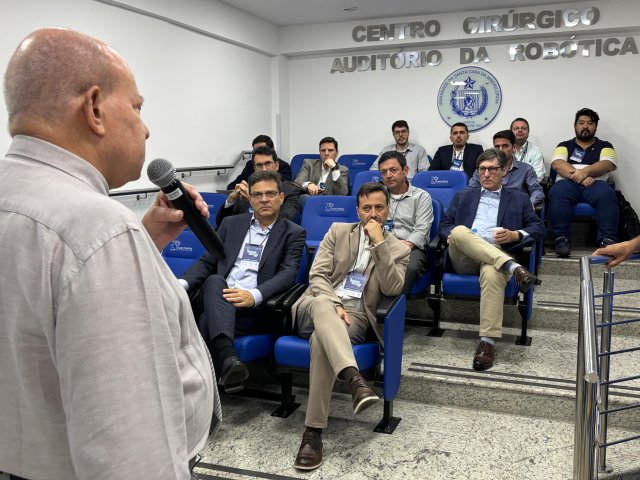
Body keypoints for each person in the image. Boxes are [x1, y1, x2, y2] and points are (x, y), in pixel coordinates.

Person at [0, 28, 219, 480]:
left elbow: (40, 301)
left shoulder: (33, 205)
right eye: (136, 107)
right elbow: (131, 452)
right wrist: (118, 242)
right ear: (94, 108)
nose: (145, 126)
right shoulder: (98, 228)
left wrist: (145, 238)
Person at [292, 183, 410, 471]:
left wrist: (379, 244)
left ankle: (313, 433)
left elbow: (393, 288)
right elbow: (317, 276)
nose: (373, 214)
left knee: (321, 341)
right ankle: (355, 379)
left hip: (356, 317)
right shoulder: (337, 231)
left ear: (388, 210)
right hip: (316, 304)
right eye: (367, 208)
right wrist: (334, 303)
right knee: (324, 306)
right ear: (357, 211)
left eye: (379, 207)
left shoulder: (398, 249)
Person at [182, 171, 305, 390]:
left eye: (270, 194)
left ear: (281, 197)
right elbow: (207, 261)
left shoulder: (293, 233)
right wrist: (179, 285)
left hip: (253, 310)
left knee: (206, 320)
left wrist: (253, 296)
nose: (264, 199)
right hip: (218, 296)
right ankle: (228, 359)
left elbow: (288, 274)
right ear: (250, 198)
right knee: (214, 281)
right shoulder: (231, 224)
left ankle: (212, 382)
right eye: (257, 194)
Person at [439, 149, 546, 371]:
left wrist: (516, 235)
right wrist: (452, 236)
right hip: (465, 257)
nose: (486, 174)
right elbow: (445, 225)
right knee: (459, 231)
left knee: (492, 271)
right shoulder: (463, 195)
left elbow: (538, 228)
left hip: (496, 253)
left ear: (504, 171)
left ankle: (487, 343)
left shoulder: (519, 198)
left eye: (492, 169)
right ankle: (513, 267)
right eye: (482, 169)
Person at [549, 107, 618, 257]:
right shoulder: (564, 145)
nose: (585, 126)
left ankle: (607, 241)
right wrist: (581, 177)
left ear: (596, 127)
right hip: (567, 183)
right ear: (575, 126)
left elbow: (608, 164)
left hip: (596, 184)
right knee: (557, 193)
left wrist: (585, 173)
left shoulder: (605, 145)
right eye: (581, 123)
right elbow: (557, 164)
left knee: (607, 194)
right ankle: (561, 239)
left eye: (590, 123)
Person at [378, 150, 434, 294]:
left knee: (409, 268)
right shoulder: (378, 197)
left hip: (411, 248)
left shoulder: (421, 197)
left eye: (393, 170)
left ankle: (391, 305)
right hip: (382, 243)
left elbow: (421, 229)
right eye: (384, 172)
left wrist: (404, 246)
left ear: (406, 170)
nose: (388, 175)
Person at [217, 145, 300, 224]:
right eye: (259, 165)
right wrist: (230, 200)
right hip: (241, 232)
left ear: (276, 166)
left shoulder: (289, 191)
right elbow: (221, 223)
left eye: (268, 163)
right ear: (254, 168)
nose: (264, 169)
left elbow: (284, 221)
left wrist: (252, 201)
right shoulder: (246, 189)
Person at [468, 130, 544, 207]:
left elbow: (537, 191)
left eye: (505, 146)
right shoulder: (484, 169)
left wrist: (529, 205)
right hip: (487, 207)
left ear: (514, 147)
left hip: (515, 207)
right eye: (497, 146)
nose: (501, 150)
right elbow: (471, 190)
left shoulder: (526, 169)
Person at [295, 136, 349, 203]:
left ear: (336, 153)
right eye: (323, 150)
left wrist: (334, 169)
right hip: (309, 199)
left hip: (329, 203)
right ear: (320, 152)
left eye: (330, 150)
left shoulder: (342, 170)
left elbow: (343, 194)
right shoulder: (309, 164)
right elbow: (298, 182)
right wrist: (308, 184)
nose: (326, 153)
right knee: (305, 198)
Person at [226, 134, 293, 189]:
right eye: (255, 150)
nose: (264, 169)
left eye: (268, 164)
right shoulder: (250, 164)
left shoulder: (284, 166)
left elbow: (283, 187)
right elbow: (233, 185)